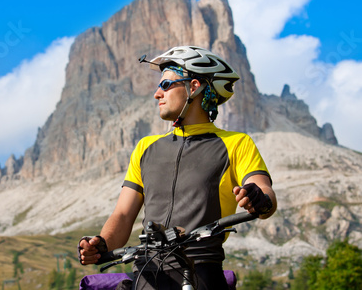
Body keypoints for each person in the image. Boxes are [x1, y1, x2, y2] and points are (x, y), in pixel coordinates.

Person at [78, 46, 277, 290]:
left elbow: (264, 191)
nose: (156, 94)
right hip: (146, 274)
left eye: (165, 85)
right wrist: (101, 244)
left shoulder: (236, 143)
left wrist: (259, 199)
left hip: (201, 273)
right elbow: (123, 214)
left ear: (194, 87)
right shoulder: (145, 147)